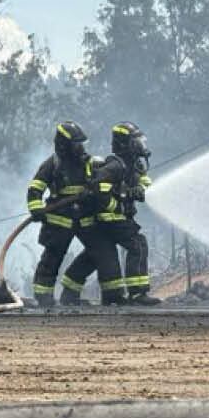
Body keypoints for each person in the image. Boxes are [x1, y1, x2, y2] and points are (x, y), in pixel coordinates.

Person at [60, 122, 161, 306]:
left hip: (115, 220)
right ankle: (137, 294)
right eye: (136, 141)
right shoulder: (114, 165)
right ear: (125, 144)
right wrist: (119, 203)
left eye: (141, 141)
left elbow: (145, 181)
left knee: (94, 255)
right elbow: (98, 187)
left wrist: (139, 188)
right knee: (138, 244)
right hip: (111, 220)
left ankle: (69, 292)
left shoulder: (135, 164)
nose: (141, 145)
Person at [24, 121, 118, 308]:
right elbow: (35, 188)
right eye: (76, 144)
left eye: (81, 143)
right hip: (59, 220)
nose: (80, 148)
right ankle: (44, 298)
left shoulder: (90, 162)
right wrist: (36, 209)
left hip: (86, 218)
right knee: (52, 258)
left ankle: (108, 296)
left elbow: (109, 172)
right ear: (63, 145)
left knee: (102, 252)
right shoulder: (52, 164)